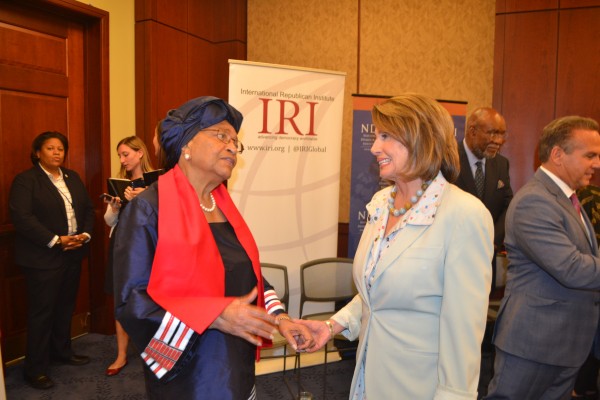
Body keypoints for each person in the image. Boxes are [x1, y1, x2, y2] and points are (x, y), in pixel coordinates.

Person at [113, 96, 313, 399]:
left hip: (237, 364)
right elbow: (133, 303)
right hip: (190, 376)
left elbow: (249, 275)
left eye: (236, 141)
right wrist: (216, 316)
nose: (232, 146)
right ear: (186, 145)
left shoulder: (223, 206)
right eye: (221, 136)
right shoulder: (148, 209)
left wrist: (279, 318)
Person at [297, 93, 494, 399]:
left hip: (419, 388)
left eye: (386, 136)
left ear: (421, 138)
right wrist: (332, 325)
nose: (375, 147)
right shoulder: (381, 204)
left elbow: (463, 333)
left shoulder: (464, 215)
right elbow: (377, 294)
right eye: (376, 136)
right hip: (367, 378)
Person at [485, 116, 600, 400]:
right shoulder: (534, 202)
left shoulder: (569, 199)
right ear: (557, 154)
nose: (596, 164)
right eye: (590, 155)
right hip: (533, 345)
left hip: (565, 345)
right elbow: (572, 269)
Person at [8, 131, 95, 390]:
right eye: (50, 148)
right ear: (37, 153)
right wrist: (56, 240)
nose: (57, 153)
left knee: (65, 307)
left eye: (60, 148)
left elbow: (88, 209)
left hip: (73, 253)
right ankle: (34, 369)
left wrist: (85, 235)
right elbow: (22, 218)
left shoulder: (73, 177)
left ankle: (62, 352)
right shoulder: (26, 180)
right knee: (42, 313)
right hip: (42, 257)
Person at [103, 136, 155, 376]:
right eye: (120, 156)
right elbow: (109, 221)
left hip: (149, 246)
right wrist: (115, 206)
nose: (122, 160)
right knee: (121, 299)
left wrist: (143, 197)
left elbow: (167, 215)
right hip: (121, 244)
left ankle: (155, 350)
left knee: (152, 297)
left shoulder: (157, 180)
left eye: (126, 154)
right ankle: (122, 354)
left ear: (140, 153)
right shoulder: (119, 183)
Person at [455, 107, 512, 290]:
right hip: (454, 256)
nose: (499, 141)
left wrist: (492, 239)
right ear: (472, 131)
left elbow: (508, 205)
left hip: (487, 257)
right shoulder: (446, 158)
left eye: (502, 134)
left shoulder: (502, 164)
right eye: (493, 133)